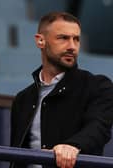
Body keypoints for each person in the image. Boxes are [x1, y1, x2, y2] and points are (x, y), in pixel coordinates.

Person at [10, 11, 113, 168]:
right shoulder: (23, 99)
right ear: (40, 41)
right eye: (63, 38)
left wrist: (73, 145)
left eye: (76, 39)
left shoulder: (98, 86)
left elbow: (99, 128)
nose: (72, 46)